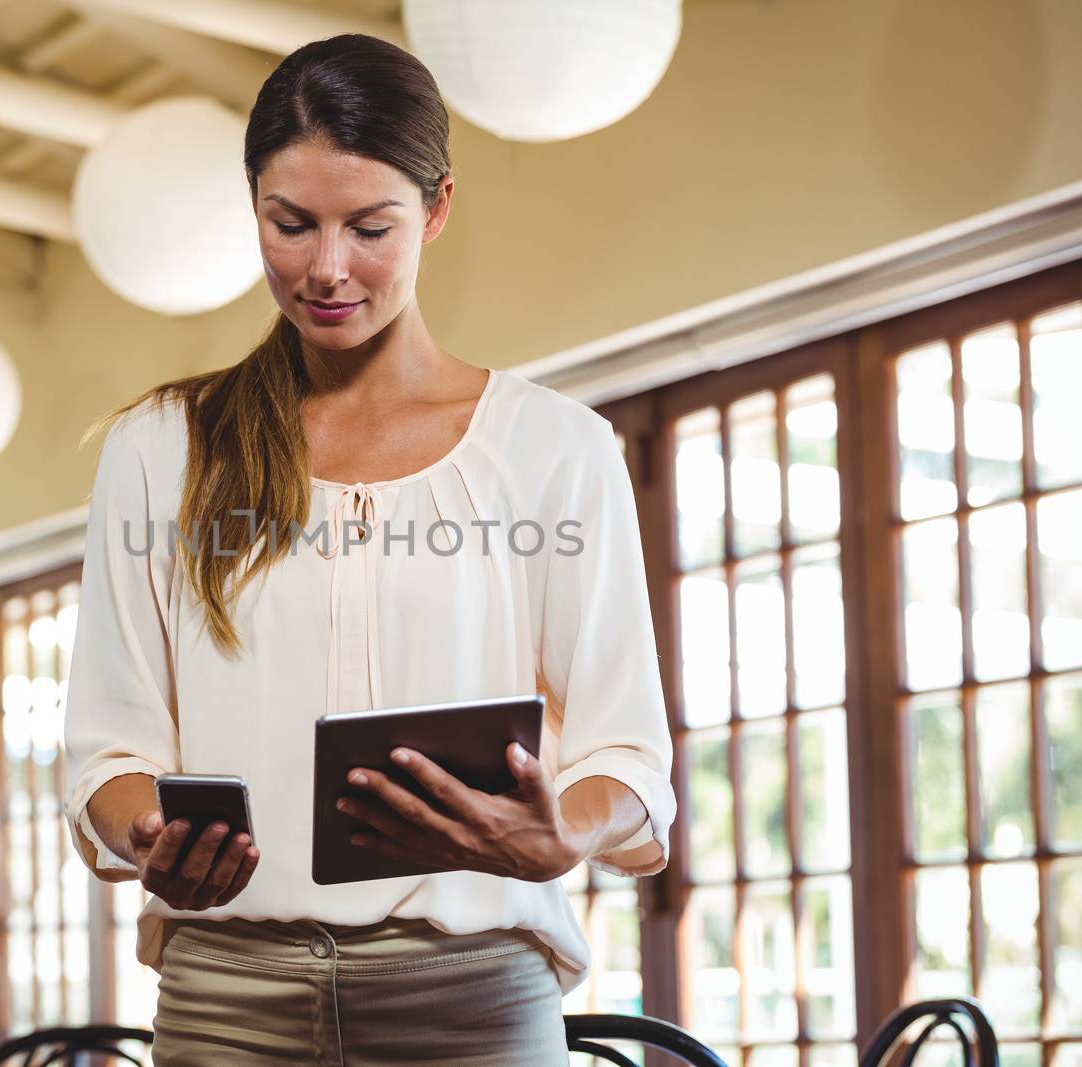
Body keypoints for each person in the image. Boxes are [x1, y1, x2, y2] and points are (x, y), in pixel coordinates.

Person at [63, 32, 675, 1066]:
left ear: (436, 209)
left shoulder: (555, 447)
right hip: (225, 1001)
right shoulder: (160, 448)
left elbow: (628, 745)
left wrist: (562, 832)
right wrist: (149, 838)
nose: (326, 268)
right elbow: (108, 744)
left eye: (370, 226)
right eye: (289, 224)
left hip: (473, 1001)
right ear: (252, 206)